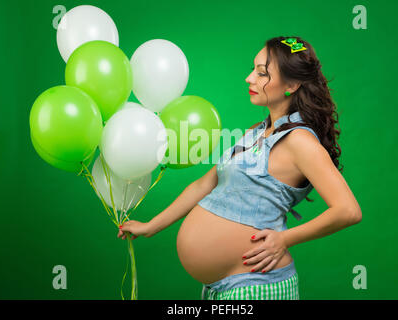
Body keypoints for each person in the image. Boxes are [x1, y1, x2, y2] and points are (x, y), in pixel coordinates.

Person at [117, 36, 362, 300]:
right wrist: (152, 226)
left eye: (262, 73)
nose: (249, 78)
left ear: (291, 85)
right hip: (220, 289)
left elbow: (348, 210)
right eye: (253, 69)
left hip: (257, 286)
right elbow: (203, 185)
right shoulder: (254, 133)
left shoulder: (299, 141)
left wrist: (284, 239)